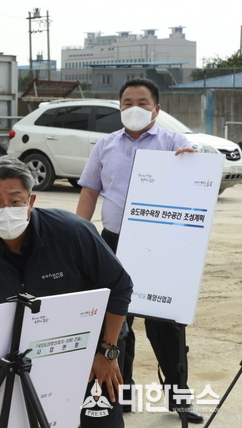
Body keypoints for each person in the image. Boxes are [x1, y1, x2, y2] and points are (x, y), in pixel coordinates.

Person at [0, 155, 133, 428]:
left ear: (31, 201)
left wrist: (107, 352)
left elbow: (120, 285)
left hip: (96, 345)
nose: (6, 209)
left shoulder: (72, 232)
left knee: (99, 419)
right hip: (31, 354)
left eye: (15, 201)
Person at [75, 78, 203, 424]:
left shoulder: (174, 142)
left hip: (161, 244)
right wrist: (78, 236)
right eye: (127, 102)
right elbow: (89, 192)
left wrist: (191, 165)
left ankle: (179, 396)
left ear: (156, 109)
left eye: (142, 102)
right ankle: (122, 395)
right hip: (113, 242)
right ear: (119, 108)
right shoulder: (105, 146)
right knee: (116, 323)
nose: (134, 108)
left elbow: (196, 181)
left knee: (166, 325)